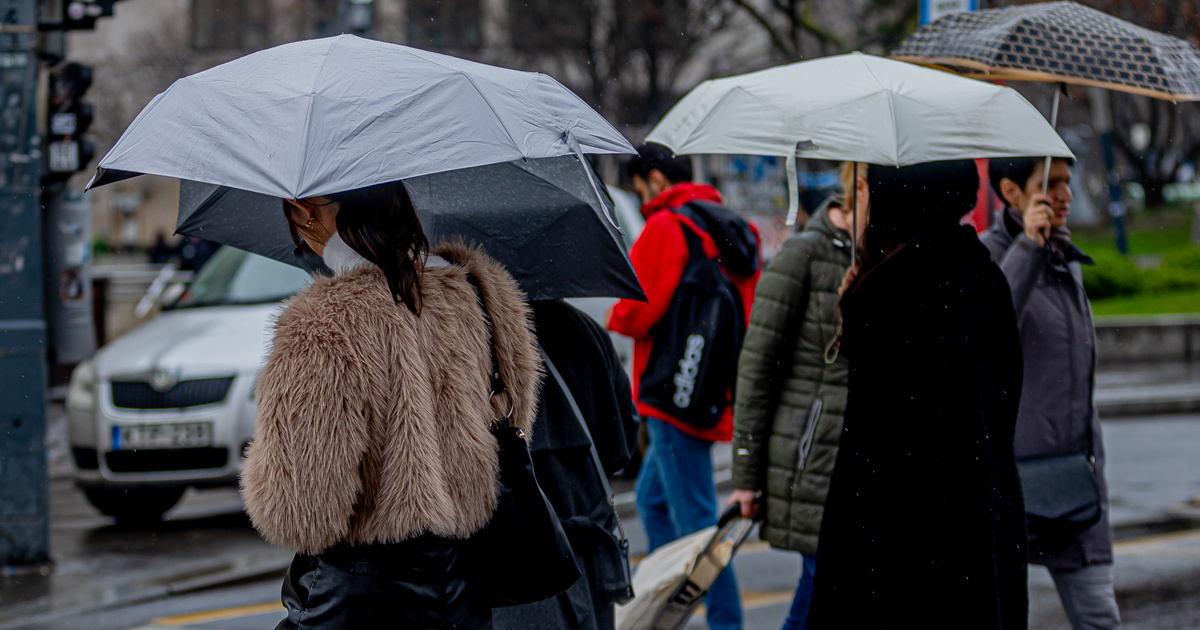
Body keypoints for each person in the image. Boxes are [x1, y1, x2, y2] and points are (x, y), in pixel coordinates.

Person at [240, 181, 543, 629]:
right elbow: (512, 427)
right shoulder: (482, 293)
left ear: (306, 209)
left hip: (360, 597)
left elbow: (302, 511)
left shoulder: (321, 323)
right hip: (461, 590)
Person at [807, 160, 1028, 630]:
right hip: (978, 519)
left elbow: (875, 442)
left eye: (871, 189)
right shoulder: (982, 274)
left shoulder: (895, 289)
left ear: (896, 196)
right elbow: (1005, 396)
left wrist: (858, 302)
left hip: (903, 537)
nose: (863, 203)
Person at [608, 143, 760, 630]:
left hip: (672, 394)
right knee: (653, 501)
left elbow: (638, 310)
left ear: (655, 179)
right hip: (708, 389)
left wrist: (613, 315)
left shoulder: (667, 226)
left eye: (640, 188)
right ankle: (668, 597)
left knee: (697, 522)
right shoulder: (730, 225)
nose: (642, 198)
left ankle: (722, 622)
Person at [981, 156, 1121, 630]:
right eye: (1050, 184)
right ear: (1011, 191)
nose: (1065, 195)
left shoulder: (1064, 256)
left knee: (1099, 617)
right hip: (1012, 482)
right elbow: (990, 329)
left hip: (1072, 478)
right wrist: (1027, 247)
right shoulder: (987, 255)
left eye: (1066, 182)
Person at [727, 163, 864, 630]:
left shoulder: (884, 254)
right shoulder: (805, 252)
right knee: (819, 593)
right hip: (812, 455)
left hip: (859, 458)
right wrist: (745, 475)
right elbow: (757, 365)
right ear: (858, 185)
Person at [494, 300, 638, 630]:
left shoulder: (476, 340)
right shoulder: (584, 329)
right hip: (591, 556)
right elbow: (622, 443)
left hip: (525, 565)